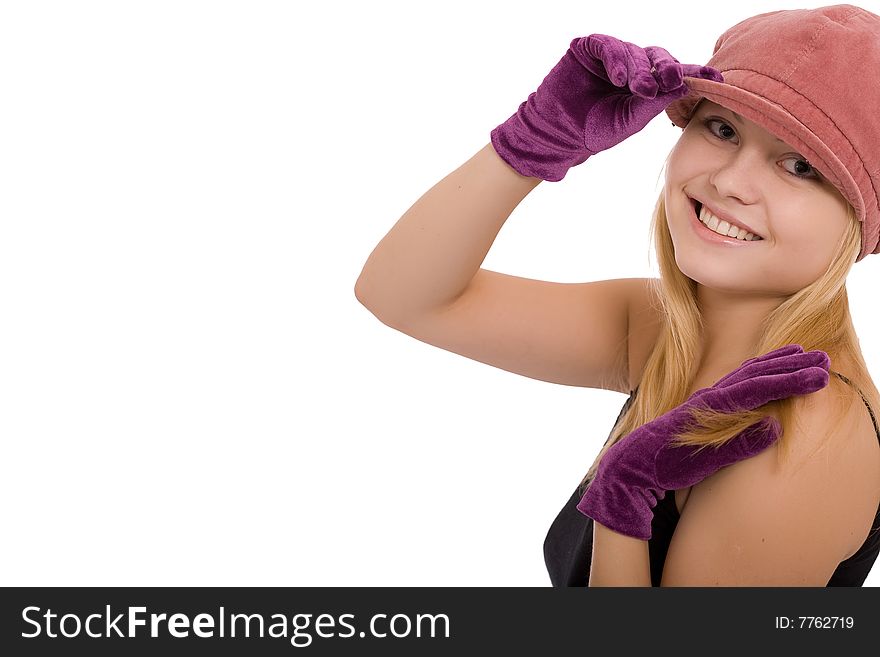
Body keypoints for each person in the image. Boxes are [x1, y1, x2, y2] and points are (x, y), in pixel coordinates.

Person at [354, 4, 880, 586]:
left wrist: (622, 505)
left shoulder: (798, 433)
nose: (730, 181)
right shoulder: (668, 330)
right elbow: (404, 297)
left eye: (800, 165)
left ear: (862, 221)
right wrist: (532, 143)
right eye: (722, 128)